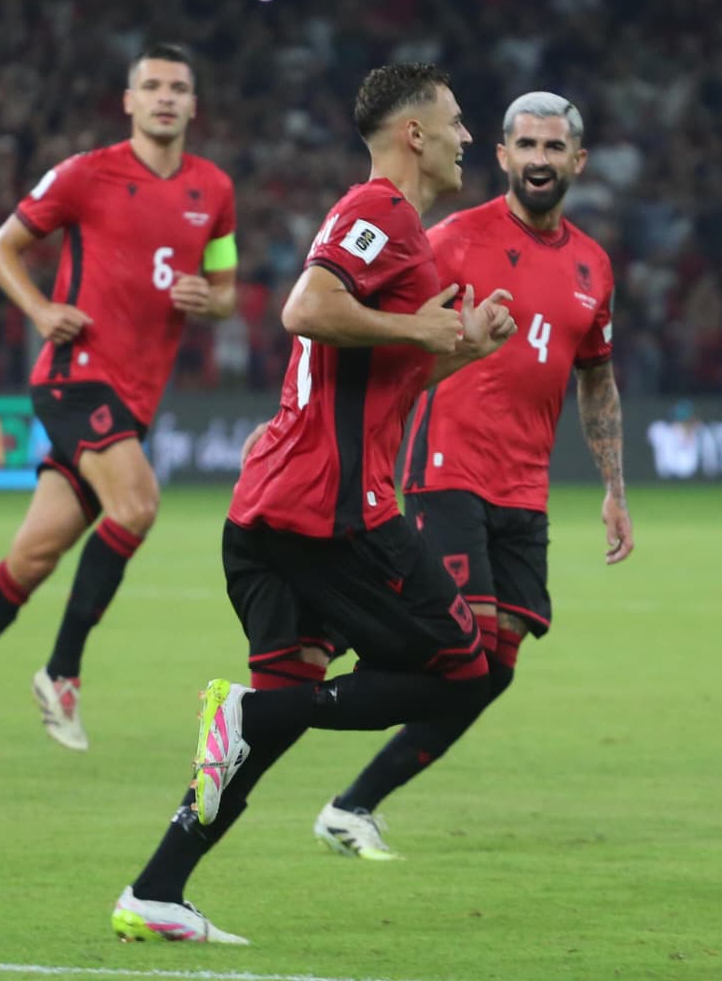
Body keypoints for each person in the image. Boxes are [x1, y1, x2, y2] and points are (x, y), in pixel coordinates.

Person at [110, 62, 515, 944]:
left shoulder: (393, 230)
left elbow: (380, 379)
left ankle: (156, 890)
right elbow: (305, 308)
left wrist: (463, 348)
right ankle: (246, 713)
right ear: (413, 133)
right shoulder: (381, 212)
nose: (466, 137)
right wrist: (418, 325)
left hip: (274, 510)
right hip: (333, 513)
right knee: (466, 669)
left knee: (284, 711)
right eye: (454, 121)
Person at [0, 43, 237, 765]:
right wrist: (42, 311)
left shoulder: (215, 189)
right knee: (137, 504)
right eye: (152, 86)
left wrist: (211, 299)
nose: (165, 97)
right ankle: (61, 672)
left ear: (194, 105)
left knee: (31, 560)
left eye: (178, 87)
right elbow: (0, 247)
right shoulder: (86, 173)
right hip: (76, 376)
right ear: (129, 101)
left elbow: (226, 288)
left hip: (135, 398)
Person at [313, 91, 635, 859]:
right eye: (526, 145)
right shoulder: (453, 239)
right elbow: (363, 322)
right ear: (502, 155)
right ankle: (288, 701)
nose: (538, 160)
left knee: (495, 669)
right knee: (463, 650)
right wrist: (311, 408)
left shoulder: (593, 266)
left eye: (552, 147)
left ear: (577, 160)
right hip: (446, 468)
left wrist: (614, 489)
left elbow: (596, 376)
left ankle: (351, 806)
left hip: (525, 487)